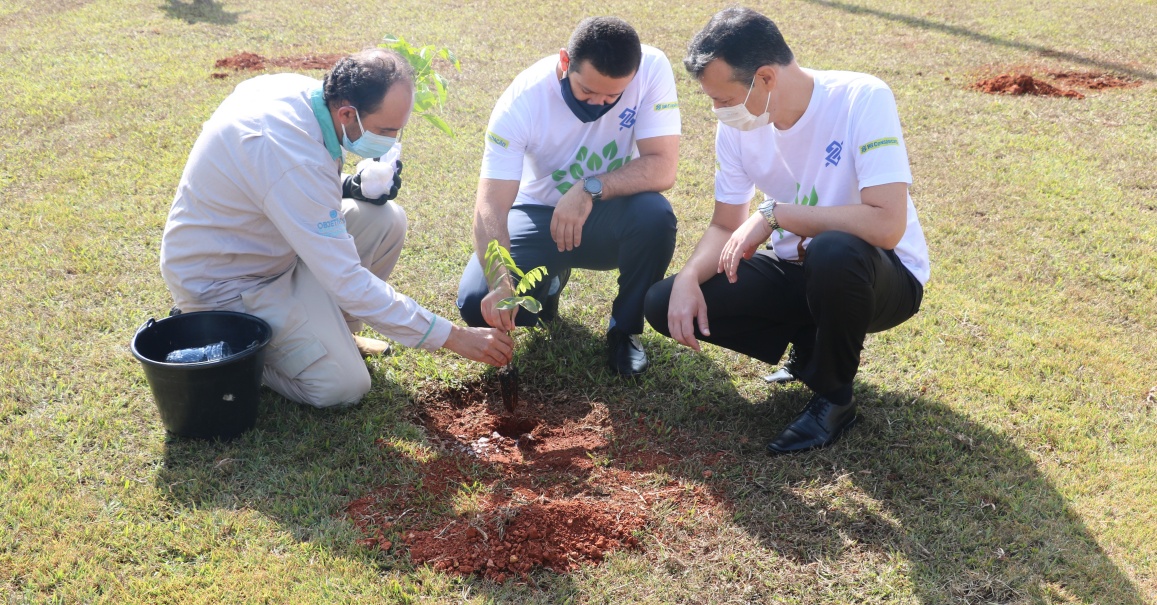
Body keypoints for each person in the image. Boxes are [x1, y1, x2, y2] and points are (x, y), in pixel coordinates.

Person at [644, 7, 930, 454]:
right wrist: (686, 279)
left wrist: (777, 215)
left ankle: (835, 398)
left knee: (834, 250)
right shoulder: (741, 127)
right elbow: (725, 222)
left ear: (765, 78)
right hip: (799, 270)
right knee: (665, 303)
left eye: (723, 99)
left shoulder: (862, 98)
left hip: (881, 275)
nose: (718, 111)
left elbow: (887, 224)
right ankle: (810, 344)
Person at [160, 49, 514, 409]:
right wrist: (453, 337)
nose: (391, 141)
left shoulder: (305, 97)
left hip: (274, 247)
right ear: (348, 113)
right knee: (342, 387)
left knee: (384, 220)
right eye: (386, 130)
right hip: (229, 285)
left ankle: (337, 335)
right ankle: (243, 353)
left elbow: (284, 187)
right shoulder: (286, 151)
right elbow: (347, 279)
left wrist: (350, 185)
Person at [456, 16, 681, 377]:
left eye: (613, 96)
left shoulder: (651, 68)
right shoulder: (523, 100)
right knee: (475, 303)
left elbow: (663, 167)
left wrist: (589, 188)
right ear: (565, 63)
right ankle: (551, 280)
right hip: (537, 212)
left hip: (611, 212)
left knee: (655, 216)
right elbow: (491, 205)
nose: (599, 104)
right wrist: (501, 281)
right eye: (587, 92)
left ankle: (624, 330)